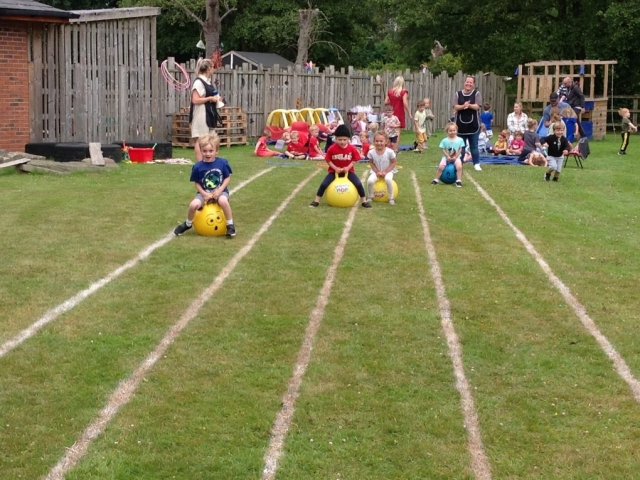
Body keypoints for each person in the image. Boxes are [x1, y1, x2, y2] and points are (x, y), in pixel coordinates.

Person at [174, 132, 236, 237]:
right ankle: (188, 223)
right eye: (205, 151)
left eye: (211, 151)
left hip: (220, 191)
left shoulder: (222, 163)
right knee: (193, 205)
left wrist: (220, 190)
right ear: (201, 151)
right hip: (204, 193)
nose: (208, 154)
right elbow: (197, 183)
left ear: (216, 151)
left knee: (223, 201)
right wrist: (204, 194)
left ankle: (230, 225)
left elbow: (227, 177)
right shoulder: (198, 166)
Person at [309, 124, 372, 208]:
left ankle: (364, 201)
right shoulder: (332, 148)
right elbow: (328, 160)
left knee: (358, 184)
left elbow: (354, 159)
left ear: (348, 139)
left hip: (349, 171)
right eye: (340, 139)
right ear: (335, 139)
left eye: (344, 139)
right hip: (333, 172)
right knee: (324, 184)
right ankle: (316, 200)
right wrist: (335, 168)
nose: (342, 142)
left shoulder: (352, 148)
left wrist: (348, 168)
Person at [190, 58, 222, 161]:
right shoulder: (198, 82)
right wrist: (210, 98)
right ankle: (200, 164)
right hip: (201, 115)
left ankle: (210, 162)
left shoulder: (207, 82)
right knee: (200, 140)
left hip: (209, 114)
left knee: (212, 140)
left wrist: (217, 99)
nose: (214, 69)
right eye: (213, 67)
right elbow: (195, 100)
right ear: (208, 68)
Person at [453, 75, 483, 171]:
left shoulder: (476, 94)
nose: (468, 84)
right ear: (464, 82)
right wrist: (463, 106)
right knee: (461, 147)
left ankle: (476, 164)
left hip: (473, 125)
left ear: (473, 84)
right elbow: (455, 107)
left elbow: (477, 107)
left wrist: (468, 105)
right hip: (460, 125)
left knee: (474, 145)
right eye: (467, 82)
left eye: (471, 82)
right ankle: (459, 163)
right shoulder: (457, 94)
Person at [366, 131, 397, 205]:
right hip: (376, 171)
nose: (379, 143)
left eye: (381, 141)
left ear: (386, 141)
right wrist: (377, 172)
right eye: (377, 141)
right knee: (370, 181)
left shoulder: (390, 152)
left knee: (388, 179)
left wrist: (385, 172)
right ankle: (370, 196)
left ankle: (391, 198)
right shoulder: (371, 152)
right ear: (374, 141)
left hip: (388, 171)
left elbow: (394, 162)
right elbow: (371, 163)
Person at [432, 122, 464, 187]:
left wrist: (456, 156)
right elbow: (443, 149)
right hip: (446, 157)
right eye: (450, 131)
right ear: (447, 131)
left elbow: (460, 149)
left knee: (459, 166)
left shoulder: (460, 140)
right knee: (441, 167)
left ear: (456, 130)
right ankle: (436, 179)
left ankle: (458, 181)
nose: (452, 132)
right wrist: (447, 156)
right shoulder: (444, 140)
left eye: (454, 130)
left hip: (456, 157)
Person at [384, 76, 411, 148]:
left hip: (390, 113)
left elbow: (385, 102)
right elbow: (405, 103)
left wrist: (392, 101)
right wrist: (409, 112)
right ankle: (395, 148)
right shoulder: (403, 92)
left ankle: (388, 147)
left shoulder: (389, 91)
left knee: (388, 130)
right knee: (397, 131)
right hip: (399, 112)